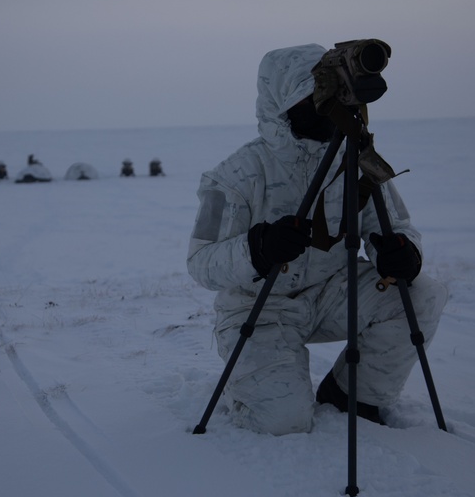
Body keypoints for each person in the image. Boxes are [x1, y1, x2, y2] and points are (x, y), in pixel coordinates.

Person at [186, 43, 448, 436]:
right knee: (284, 421)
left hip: (332, 292)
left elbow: (394, 224)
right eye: (313, 98)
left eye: (332, 96)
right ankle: (247, 387)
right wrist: (258, 249)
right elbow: (200, 262)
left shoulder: (353, 157)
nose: (328, 108)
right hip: (260, 306)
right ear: (282, 103)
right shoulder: (234, 175)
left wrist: (401, 252)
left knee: (420, 293)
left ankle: (351, 396)